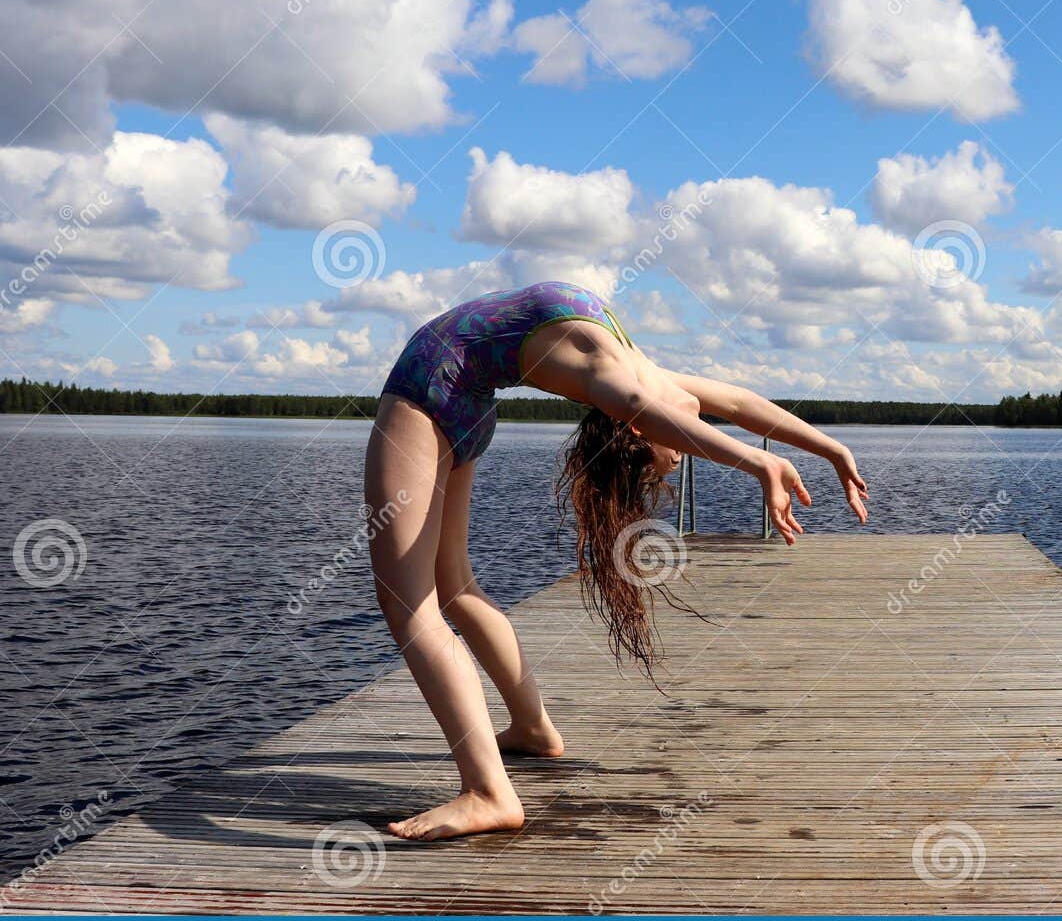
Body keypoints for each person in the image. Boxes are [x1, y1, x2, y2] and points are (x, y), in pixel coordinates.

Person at [363, 281, 869, 840]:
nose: (680, 457)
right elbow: (652, 408)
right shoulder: (628, 383)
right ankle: (531, 728)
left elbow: (742, 404)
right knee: (447, 587)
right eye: (671, 454)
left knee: (412, 601)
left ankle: (488, 792)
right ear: (636, 433)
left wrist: (828, 447)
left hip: (435, 392)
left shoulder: (638, 378)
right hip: (444, 393)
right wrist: (758, 464)